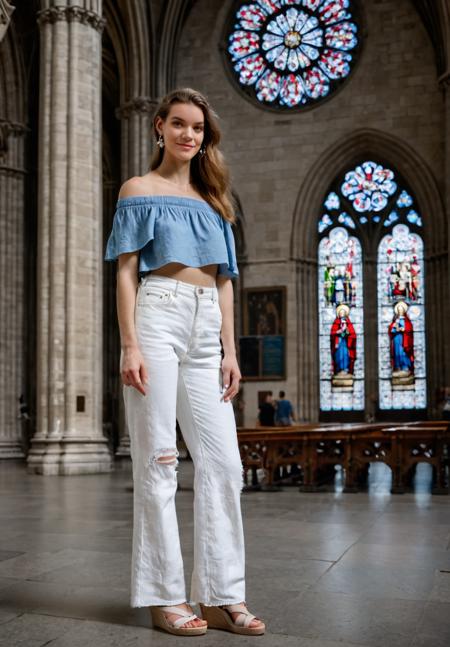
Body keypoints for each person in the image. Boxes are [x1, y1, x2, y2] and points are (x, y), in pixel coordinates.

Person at [104, 88, 264, 637]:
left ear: (205, 137)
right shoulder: (138, 189)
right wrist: (130, 344)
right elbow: (126, 271)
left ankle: (222, 596)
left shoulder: (217, 201)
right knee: (160, 460)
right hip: (157, 315)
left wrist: (230, 350)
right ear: (159, 127)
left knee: (225, 466)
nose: (188, 135)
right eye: (178, 124)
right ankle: (165, 595)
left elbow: (224, 281)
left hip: (204, 329)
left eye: (197, 128)